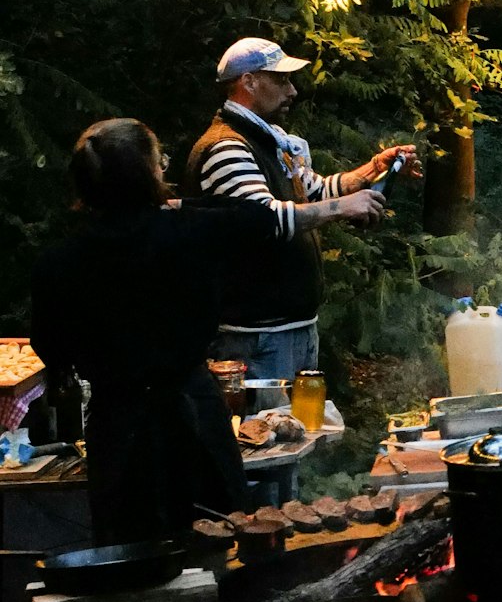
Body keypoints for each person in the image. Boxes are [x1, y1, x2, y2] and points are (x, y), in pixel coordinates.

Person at [31, 121, 288, 542]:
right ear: (148, 175)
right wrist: (179, 204)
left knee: (130, 552)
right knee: (221, 542)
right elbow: (257, 216)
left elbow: (50, 347)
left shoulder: (58, 262)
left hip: (117, 426)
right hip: (194, 414)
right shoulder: (187, 232)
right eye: (159, 163)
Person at [182, 38, 413, 383]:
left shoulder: (268, 140)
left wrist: (372, 170)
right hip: (254, 338)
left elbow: (315, 191)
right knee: (265, 419)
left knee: (300, 417)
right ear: (249, 81)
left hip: (291, 330)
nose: (292, 91)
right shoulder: (226, 147)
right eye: (281, 80)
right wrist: (342, 208)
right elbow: (263, 220)